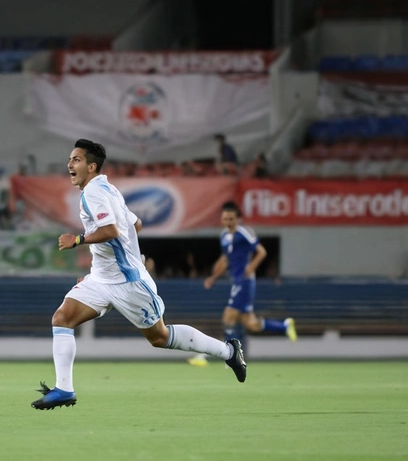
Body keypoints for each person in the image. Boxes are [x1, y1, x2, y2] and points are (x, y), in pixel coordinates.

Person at [31, 139, 246, 411]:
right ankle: (64, 389)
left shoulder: (95, 193)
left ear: (92, 166)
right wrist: (104, 266)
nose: (69, 164)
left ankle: (229, 351)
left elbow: (111, 231)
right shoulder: (109, 189)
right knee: (62, 318)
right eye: (70, 159)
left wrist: (77, 239)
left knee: (160, 337)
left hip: (129, 283)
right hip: (102, 279)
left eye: (76, 160)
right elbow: (137, 224)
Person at [187, 201, 296, 367]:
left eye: (231, 218)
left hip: (244, 281)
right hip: (236, 281)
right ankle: (284, 326)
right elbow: (226, 260)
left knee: (228, 317)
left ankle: (230, 357)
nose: (228, 222)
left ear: (238, 219)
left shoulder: (243, 233)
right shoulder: (224, 236)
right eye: (225, 219)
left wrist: (251, 267)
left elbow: (261, 252)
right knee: (251, 323)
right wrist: (213, 277)